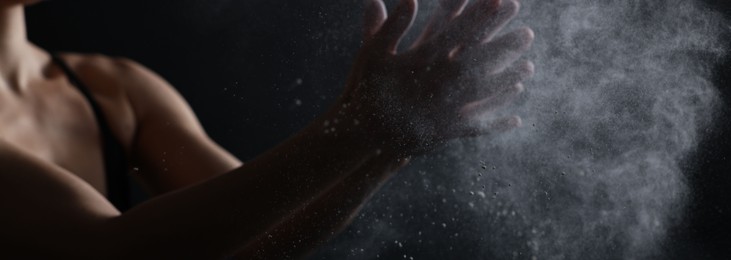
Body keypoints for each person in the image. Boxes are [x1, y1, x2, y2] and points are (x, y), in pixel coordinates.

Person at [0, 0, 533, 258]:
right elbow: (113, 255)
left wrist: (391, 145)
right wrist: (358, 128)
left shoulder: (112, 88)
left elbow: (271, 236)